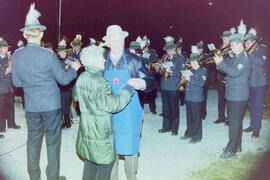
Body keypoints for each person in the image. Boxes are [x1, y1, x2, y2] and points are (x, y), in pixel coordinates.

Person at [11, 3, 81, 180]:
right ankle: (53, 177)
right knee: (52, 143)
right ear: (41, 34)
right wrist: (73, 68)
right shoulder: (48, 55)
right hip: (50, 106)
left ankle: (34, 177)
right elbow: (64, 80)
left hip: (32, 106)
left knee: (33, 142)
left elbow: (17, 82)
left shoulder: (17, 55)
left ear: (24, 34)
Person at [102, 25, 156, 180]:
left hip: (129, 113)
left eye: (120, 39)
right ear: (108, 43)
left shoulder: (134, 60)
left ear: (124, 41)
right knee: (111, 148)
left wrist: (143, 83)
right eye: (114, 40)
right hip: (109, 113)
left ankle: (132, 176)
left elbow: (151, 81)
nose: (117, 43)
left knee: (130, 147)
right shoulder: (102, 61)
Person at [73, 45, 135, 180]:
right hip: (101, 131)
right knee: (106, 164)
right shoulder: (101, 81)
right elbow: (113, 105)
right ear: (95, 61)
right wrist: (127, 89)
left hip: (87, 128)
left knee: (90, 160)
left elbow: (76, 97)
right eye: (102, 58)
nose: (104, 61)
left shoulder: (82, 77)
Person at [214, 26, 251, 159]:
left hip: (237, 95)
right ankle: (237, 145)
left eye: (233, 45)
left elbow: (234, 72)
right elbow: (231, 70)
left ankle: (231, 150)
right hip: (236, 94)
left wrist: (221, 63)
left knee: (234, 123)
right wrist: (221, 65)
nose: (231, 48)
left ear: (240, 44)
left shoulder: (244, 58)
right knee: (237, 122)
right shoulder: (239, 56)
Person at [243, 28, 269, 137]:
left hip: (259, 83)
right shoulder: (248, 51)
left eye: (248, 43)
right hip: (249, 82)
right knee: (251, 106)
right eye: (245, 43)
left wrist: (250, 52)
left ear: (254, 42)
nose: (246, 45)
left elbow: (261, 61)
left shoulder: (262, 49)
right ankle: (252, 125)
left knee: (257, 106)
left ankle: (256, 129)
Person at [157, 36, 185, 136]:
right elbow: (161, 71)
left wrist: (171, 70)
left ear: (175, 49)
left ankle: (174, 129)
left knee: (174, 108)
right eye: (167, 50)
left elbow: (181, 72)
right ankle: (166, 127)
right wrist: (159, 68)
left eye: (170, 49)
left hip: (173, 86)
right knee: (166, 108)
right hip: (164, 86)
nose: (168, 51)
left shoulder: (180, 58)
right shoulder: (165, 58)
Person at [180, 47, 206, 143]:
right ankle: (189, 133)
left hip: (197, 98)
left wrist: (189, 79)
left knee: (196, 118)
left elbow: (201, 84)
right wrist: (183, 78)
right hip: (189, 97)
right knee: (189, 117)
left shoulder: (202, 71)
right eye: (191, 62)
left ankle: (197, 136)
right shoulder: (190, 70)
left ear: (198, 61)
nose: (193, 63)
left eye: (195, 61)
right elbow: (185, 83)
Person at [0, 37, 21, 133]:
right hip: (1, 87)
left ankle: (11, 123)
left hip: (9, 87)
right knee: (1, 108)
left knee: (10, 106)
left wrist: (12, 66)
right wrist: (5, 71)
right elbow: (5, 70)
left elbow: (14, 69)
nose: (7, 49)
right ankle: (1, 127)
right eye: (4, 48)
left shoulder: (9, 58)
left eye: (7, 48)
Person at [214, 29, 234, 124]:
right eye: (223, 39)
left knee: (229, 98)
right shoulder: (221, 48)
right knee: (221, 97)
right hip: (220, 75)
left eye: (225, 39)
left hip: (229, 75)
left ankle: (229, 118)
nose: (223, 41)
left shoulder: (232, 49)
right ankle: (221, 116)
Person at [56, 38, 73, 128]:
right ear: (58, 52)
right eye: (61, 52)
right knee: (60, 103)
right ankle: (61, 120)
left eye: (64, 52)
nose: (63, 53)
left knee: (67, 103)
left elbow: (71, 71)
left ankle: (67, 119)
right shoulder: (55, 61)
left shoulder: (70, 59)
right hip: (59, 86)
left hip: (68, 85)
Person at [197, 41, 209, 120]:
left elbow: (207, 66)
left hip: (204, 80)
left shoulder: (206, 56)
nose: (199, 50)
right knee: (198, 97)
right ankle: (198, 112)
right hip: (196, 79)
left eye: (200, 49)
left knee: (204, 97)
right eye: (198, 49)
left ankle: (203, 113)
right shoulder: (194, 56)